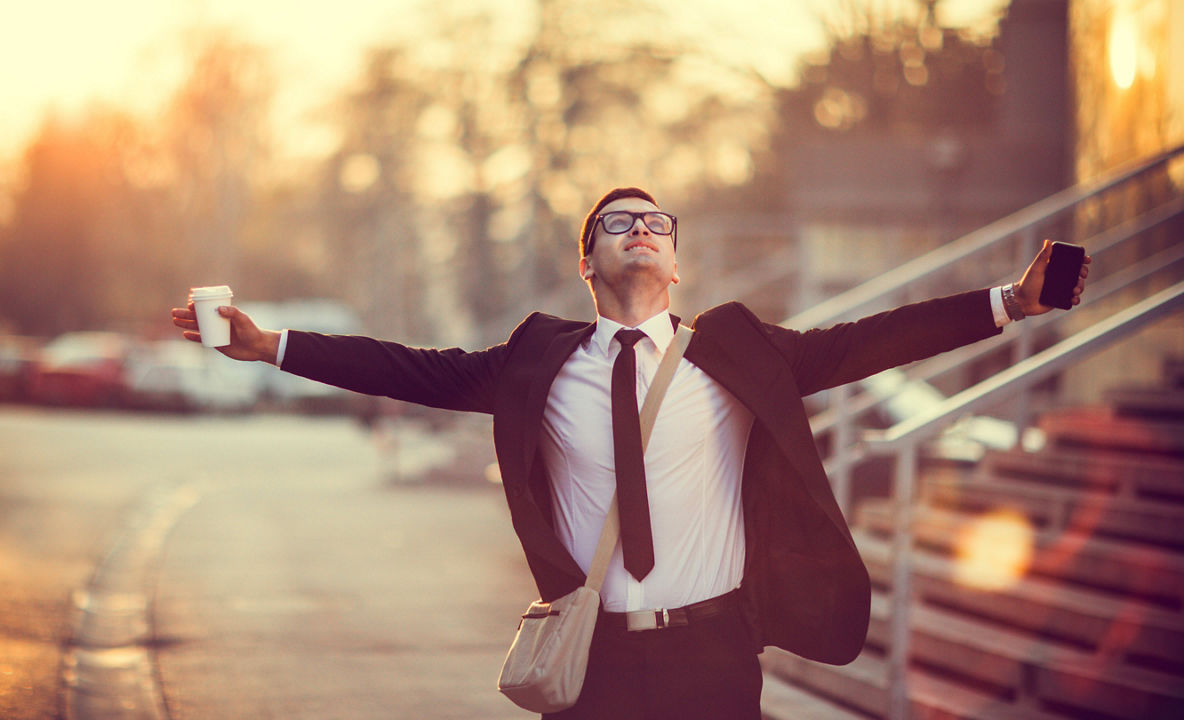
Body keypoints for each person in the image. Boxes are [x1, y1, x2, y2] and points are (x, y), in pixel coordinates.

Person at [171, 186, 1090, 719]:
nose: (640, 229)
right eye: (618, 223)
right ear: (587, 265)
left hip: (716, 653)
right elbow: (412, 369)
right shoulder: (540, 359)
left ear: (678, 265)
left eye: (656, 223)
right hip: (592, 659)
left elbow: (867, 342)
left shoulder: (737, 351)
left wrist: (1010, 300)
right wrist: (273, 345)